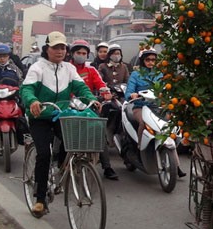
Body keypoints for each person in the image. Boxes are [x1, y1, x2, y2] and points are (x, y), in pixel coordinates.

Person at [20, 31, 99, 215]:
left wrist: (91, 98)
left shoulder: (69, 69)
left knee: (72, 141)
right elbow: (27, 89)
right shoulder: (37, 68)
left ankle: (60, 169)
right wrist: (32, 101)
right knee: (44, 153)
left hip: (60, 114)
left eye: (63, 47)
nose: (60, 51)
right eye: (56, 47)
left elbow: (81, 86)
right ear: (47, 49)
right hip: (40, 117)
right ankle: (40, 199)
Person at [125, 48, 186, 177]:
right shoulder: (136, 74)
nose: (151, 62)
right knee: (143, 123)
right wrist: (133, 95)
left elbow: (168, 89)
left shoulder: (160, 74)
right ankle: (139, 150)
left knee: (169, 128)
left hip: (159, 108)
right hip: (140, 107)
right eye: (148, 60)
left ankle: (176, 164)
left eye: (153, 60)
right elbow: (128, 92)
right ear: (143, 61)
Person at [70, 39, 119, 180]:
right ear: (72, 54)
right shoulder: (66, 68)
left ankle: (107, 167)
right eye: (78, 52)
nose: (81, 55)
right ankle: (59, 160)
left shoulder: (91, 70)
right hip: (69, 107)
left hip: (89, 106)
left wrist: (106, 93)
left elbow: (101, 84)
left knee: (100, 133)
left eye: (84, 53)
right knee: (62, 133)